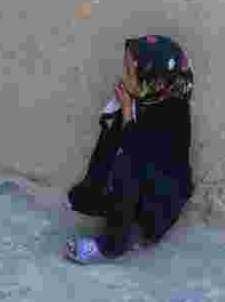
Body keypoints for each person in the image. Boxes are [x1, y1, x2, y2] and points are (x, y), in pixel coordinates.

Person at [64, 35, 195, 263]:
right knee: (116, 146)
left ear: (152, 81)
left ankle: (112, 246)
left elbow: (139, 156)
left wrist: (126, 114)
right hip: (140, 183)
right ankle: (95, 199)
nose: (123, 76)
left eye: (129, 71)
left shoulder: (172, 115)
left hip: (158, 202)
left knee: (127, 166)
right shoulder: (148, 97)